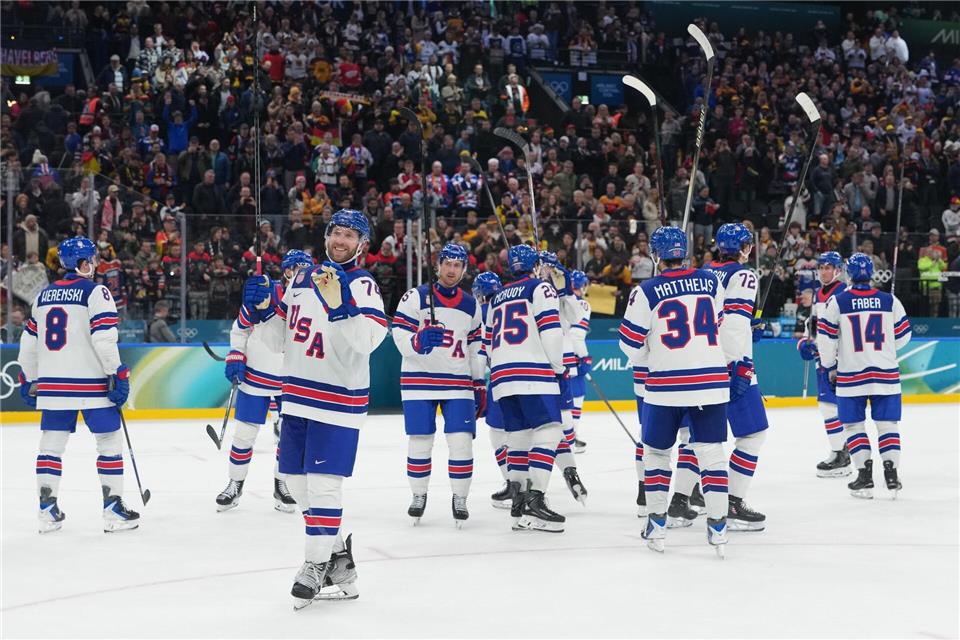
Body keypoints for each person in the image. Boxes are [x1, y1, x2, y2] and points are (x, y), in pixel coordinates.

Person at [241, 209, 387, 608]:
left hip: (338, 400)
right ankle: (339, 560)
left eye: (349, 235)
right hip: (297, 394)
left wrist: (341, 306)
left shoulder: (363, 284)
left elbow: (369, 341)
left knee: (324, 487)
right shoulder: (303, 277)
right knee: (293, 480)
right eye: (336, 233)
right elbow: (279, 339)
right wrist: (262, 312)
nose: (340, 240)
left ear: (362, 245)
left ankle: (313, 564)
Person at [619, 226, 730, 556]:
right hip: (711, 382)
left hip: (666, 386)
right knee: (710, 454)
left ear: (656, 256)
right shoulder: (712, 281)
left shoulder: (646, 290)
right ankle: (719, 528)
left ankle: (656, 524)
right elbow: (719, 323)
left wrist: (651, 357)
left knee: (656, 454)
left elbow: (628, 345)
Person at [17, 237, 139, 534]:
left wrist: (29, 379)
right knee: (109, 442)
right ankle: (113, 511)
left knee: (50, 447)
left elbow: (28, 344)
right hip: (91, 385)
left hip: (53, 386)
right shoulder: (97, 291)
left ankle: (47, 512)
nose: (95, 263)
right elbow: (103, 339)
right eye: (92, 259)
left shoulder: (42, 295)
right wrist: (117, 373)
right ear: (83, 263)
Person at [390, 243, 484, 526]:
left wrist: (479, 382)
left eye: (458, 265)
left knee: (461, 443)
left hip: (458, 383)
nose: (452, 270)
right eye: (447, 264)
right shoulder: (415, 297)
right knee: (420, 442)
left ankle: (460, 498)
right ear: (438, 265)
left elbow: (475, 346)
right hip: (419, 381)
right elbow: (398, 332)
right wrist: (416, 342)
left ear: (464, 270)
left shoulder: (471, 304)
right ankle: (418, 495)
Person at [215, 250, 314, 514]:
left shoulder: (316, 300)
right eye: (296, 269)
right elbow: (240, 328)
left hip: (292, 379)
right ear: (286, 271)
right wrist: (236, 353)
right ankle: (234, 483)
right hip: (257, 374)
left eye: (305, 270)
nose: (300, 275)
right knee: (245, 434)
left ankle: (282, 485)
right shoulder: (264, 291)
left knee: (288, 438)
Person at [484, 244, 566, 532]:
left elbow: (488, 343)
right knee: (550, 430)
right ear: (534, 266)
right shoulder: (540, 288)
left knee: (518, 438)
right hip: (532, 370)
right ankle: (536, 499)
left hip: (502, 375)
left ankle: (518, 506)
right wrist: (557, 365)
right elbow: (551, 331)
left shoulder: (496, 298)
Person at [817, 253, 911, 499]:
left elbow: (825, 340)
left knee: (854, 426)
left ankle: (864, 476)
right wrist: (884, 349)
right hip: (886, 374)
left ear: (848, 274)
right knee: (888, 426)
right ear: (871, 274)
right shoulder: (890, 300)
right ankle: (891, 475)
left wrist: (829, 365)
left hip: (851, 375)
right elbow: (903, 337)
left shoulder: (838, 302)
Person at [703, 223, 769, 531]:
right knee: (753, 434)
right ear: (744, 248)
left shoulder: (703, 272)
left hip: (700, 364)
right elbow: (732, 323)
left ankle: (687, 495)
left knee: (701, 438)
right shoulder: (743, 275)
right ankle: (730, 500)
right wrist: (739, 363)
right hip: (729, 364)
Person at [538, 251, 588, 505]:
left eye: (551, 270)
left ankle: (569, 468)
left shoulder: (563, 297)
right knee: (533, 428)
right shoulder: (532, 290)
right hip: (534, 364)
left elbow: (577, 316)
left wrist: (565, 290)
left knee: (562, 418)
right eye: (544, 269)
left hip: (558, 364)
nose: (547, 273)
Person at [797, 251, 852, 477]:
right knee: (828, 406)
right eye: (821, 267)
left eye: (829, 267)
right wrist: (804, 342)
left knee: (832, 406)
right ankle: (843, 451)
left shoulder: (844, 293)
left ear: (838, 270)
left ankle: (842, 453)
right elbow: (815, 326)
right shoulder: (819, 293)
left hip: (840, 360)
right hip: (824, 358)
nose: (824, 271)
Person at [471, 272, 510, 507]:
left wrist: (477, 381)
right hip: (530, 376)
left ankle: (513, 483)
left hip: (499, 378)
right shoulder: (514, 304)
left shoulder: (481, 313)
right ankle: (532, 485)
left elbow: (480, 352)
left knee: (498, 435)